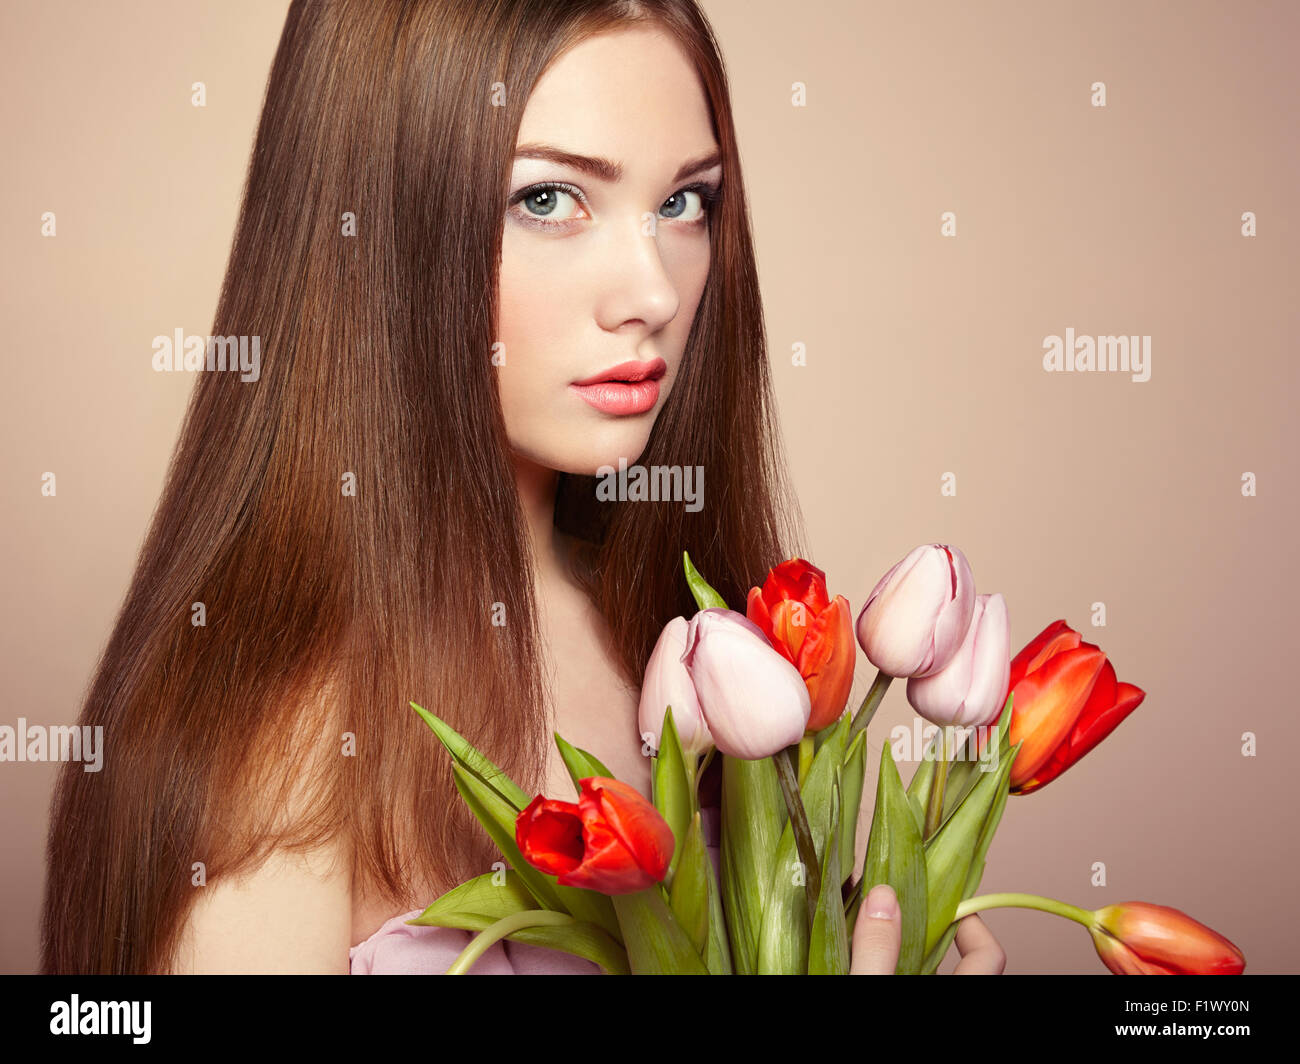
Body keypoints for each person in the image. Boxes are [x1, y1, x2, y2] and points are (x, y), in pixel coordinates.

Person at [41, 0, 1004, 976]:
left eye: (684, 202)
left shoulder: (692, 636)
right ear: (367, 227)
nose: (654, 294)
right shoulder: (279, 746)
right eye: (548, 199)